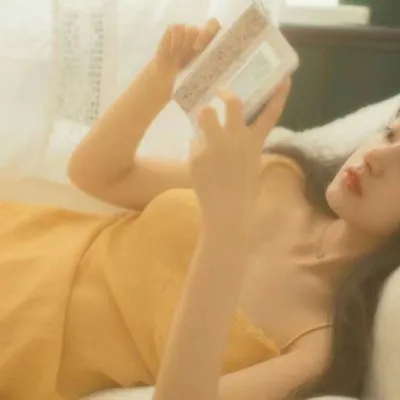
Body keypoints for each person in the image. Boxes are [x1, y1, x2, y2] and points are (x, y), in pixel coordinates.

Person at [1, 18, 399, 400]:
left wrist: (224, 226)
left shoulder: (314, 343)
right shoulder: (280, 177)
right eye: (388, 134)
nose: (374, 157)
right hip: (24, 239)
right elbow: (96, 172)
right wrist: (162, 75)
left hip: (26, 343)